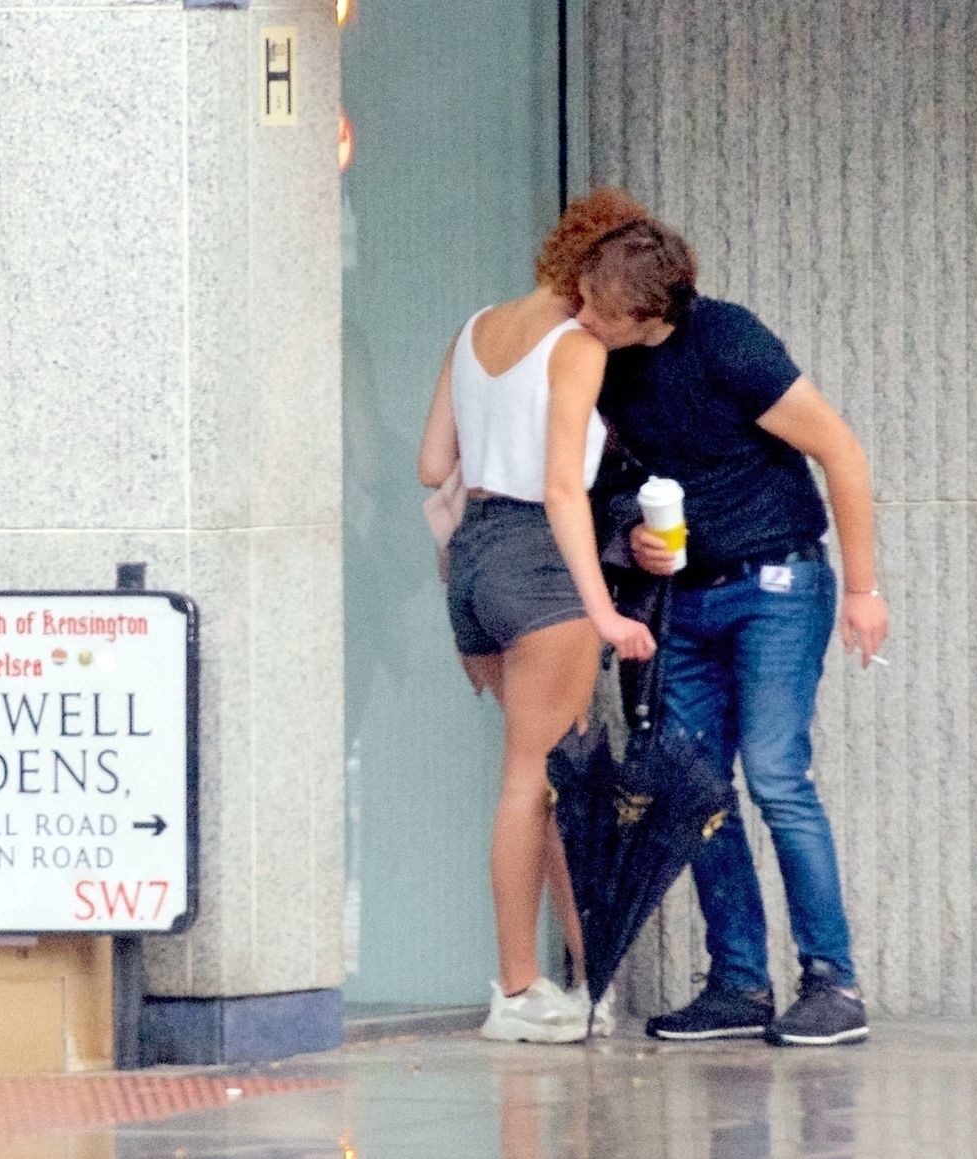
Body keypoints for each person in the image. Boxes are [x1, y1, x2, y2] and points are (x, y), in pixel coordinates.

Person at [572, 217, 889, 1047]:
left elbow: (842, 452)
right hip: (685, 597)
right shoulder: (603, 364)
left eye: (599, 307)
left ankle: (834, 980)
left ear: (649, 311)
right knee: (697, 787)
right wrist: (629, 535)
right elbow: (609, 482)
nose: (583, 317)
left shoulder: (730, 341)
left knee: (777, 775)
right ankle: (738, 981)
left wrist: (863, 590)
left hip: (775, 583)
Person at [416, 189, 659, 1043]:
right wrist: (603, 609)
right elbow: (562, 486)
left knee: (562, 776)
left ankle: (592, 977)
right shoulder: (577, 348)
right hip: (541, 561)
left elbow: (432, 463)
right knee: (534, 781)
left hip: (475, 560)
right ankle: (518, 990)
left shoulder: (475, 328)